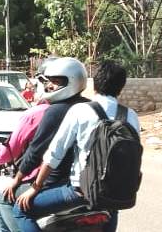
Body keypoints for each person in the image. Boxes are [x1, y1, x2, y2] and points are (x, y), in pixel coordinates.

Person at [13, 60, 140, 232]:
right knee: (111, 209)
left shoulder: (81, 111)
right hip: (114, 194)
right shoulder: (130, 115)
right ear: (121, 86)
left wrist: (35, 188)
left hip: (79, 192)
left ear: (95, 83)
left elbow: (53, 156)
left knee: (20, 210)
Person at [0, 58, 90, 227]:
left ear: (72, 82)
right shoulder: (90, 106)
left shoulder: (54, 111)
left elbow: (35, 153)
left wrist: (17, 181)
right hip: (91, 183)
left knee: (6, 200)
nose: (50, 86)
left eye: (56, 82)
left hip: (59, 182)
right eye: (50, 81)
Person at [0, 97, 50, 232]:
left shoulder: (36, 113)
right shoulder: (83, 107)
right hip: (78, 184)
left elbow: (11, 150)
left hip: (42, 180)